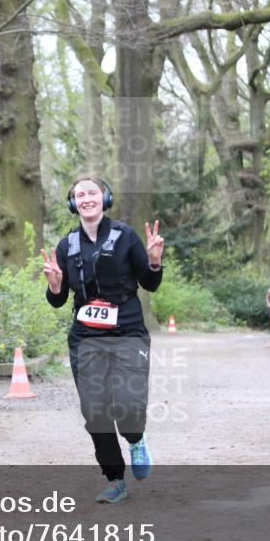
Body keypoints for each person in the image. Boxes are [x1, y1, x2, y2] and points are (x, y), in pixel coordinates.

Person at [41, 174, 164, 504]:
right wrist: (55, 285)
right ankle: (114, 479)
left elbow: (149, 284)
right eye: (79, 195)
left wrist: (153, 261)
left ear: (104, 198)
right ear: (73, 204)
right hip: (86, 337)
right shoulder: (67, 245)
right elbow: (58, 299)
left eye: (92, 192)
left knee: (126, 403)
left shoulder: (125, 236)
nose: (86, 198)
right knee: (95, 411)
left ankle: (136, 440)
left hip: (128, 332)